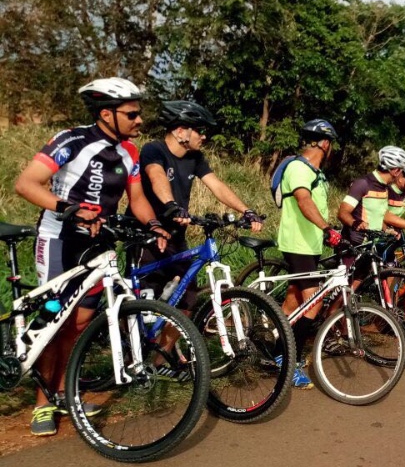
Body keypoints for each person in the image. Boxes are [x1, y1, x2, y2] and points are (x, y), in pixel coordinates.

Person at [14, 77, 169, 436]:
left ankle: (66, 391)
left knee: (80, 324)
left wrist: (154, 225)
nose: (139, 120)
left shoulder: (130, 151)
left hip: (99, 244)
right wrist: (71, 209)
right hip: (59, 239)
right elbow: (27, 184)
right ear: (106, 113)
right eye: (131, 114)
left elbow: (138, 198)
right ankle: (42, 403)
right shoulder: (72, 140)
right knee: (55, 324)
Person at [135, 100, 263, 315]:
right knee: (143, 305)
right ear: (180, 131)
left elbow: (216, 185)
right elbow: (157, 176)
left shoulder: (195, 158)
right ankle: (129, 344)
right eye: (200, 130)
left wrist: (246, 211)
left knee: (187, 303)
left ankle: (161, 349)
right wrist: (172, 206)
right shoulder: (153, 149)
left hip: (177, 237)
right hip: (148, 235)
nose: (204, 137)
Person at [274, 118, 342, 389]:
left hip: (309, 245)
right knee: (313, 304)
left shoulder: (316, 172)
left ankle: (276, 349)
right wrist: (327, 229)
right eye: (332, 144)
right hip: (297, 243)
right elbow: (303, 201)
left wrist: (328, 231)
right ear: (325, 143)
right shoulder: (299, 168)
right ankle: (289, 360)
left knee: (293, 300)